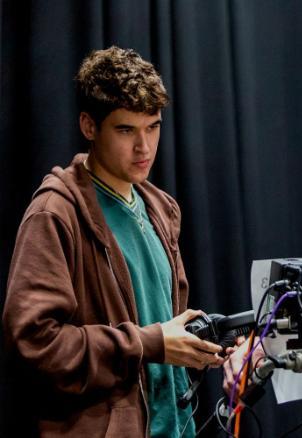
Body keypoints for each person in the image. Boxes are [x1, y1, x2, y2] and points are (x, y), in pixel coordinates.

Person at [2, 46, 227, 437]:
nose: (144, 147)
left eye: (152, 127)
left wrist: (201, 345)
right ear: (90, 126)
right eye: (126, 130)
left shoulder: (160, 208)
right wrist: (148, 343)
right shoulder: (56, 213)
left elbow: (162, 331)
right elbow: (35, 343)